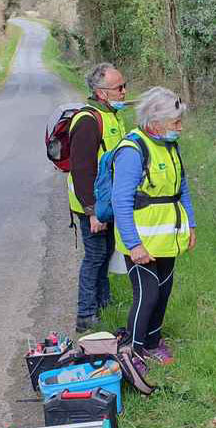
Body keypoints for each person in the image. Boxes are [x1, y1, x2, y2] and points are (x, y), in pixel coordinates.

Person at [112, 86, 196, 372]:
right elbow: (120, 200)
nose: (180, 128)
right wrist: (134, 245)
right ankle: (132, 353)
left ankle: (153, 343)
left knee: (163, 291)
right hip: (141, 243)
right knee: (146, 295)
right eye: (175, 123)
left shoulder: (169, 145)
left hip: (167, 239)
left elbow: (181, 186)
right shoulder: (132, 150)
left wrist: (191, 225)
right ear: (155, 121)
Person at [69, 63, 129, 332]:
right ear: (102, 92)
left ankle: (104, 304)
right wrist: (92, 211)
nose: (124, 91)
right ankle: (85, 315)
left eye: (123, 86)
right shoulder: (87, 121)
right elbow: (81, 169)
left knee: (105, 254)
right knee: (94, 256)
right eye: (119, 88)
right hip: (92, 203)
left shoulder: (113, 116)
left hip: (109, 200)